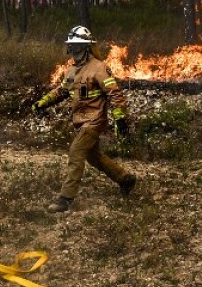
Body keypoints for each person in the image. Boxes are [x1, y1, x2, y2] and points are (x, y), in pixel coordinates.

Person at [32, 26, 136, 213]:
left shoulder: (99, 68)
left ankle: (65, 199)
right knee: (93, 157)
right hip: (81, 121)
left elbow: (115, 93)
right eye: (72, 47)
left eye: (78, 46)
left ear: (86, 47)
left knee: (76, 151)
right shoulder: (71, 70)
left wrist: (120, 119)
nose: (74, 50)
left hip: (94, 121)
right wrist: (43, 103)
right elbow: (62, 91)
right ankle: (125, 179)